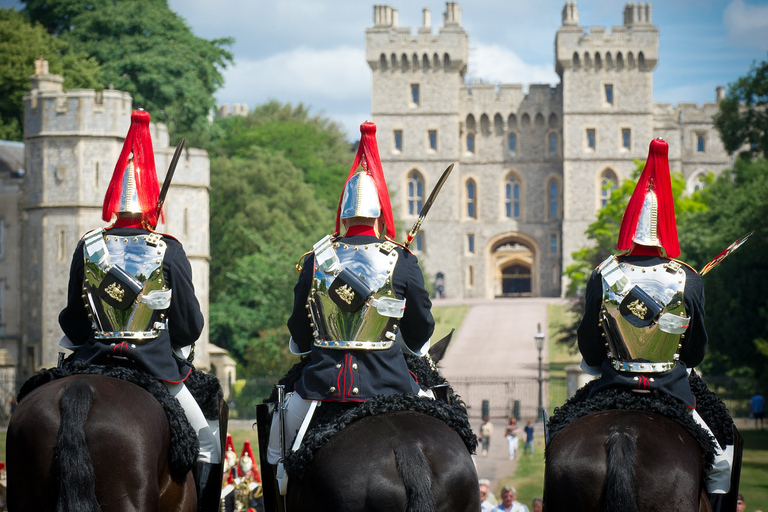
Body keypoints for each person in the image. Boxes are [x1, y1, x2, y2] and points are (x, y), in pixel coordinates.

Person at [58, 109, 222, 512]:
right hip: (155, 368)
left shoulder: (88, 246)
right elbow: (189, 326)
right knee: (207, 443)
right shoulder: (167, 248)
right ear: (151, 201)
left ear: (115, 198)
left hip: (91, 361)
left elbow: (74, 320)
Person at [266, 121, 435, 490]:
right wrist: (414, 345)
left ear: (343, 212)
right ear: (378, 213)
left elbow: (299, 324)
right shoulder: (401, 259)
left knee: (277, 454)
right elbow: (421, 325)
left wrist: (304, 345)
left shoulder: (316, 259)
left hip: (321, 383)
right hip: (391, 380)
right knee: (448, 421)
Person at [576, 138, 737, 511]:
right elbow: (695, 349)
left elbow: (589, 345)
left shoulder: (605, 273)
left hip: (612, 384)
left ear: (629, 225)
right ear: (664, 229)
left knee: (559, 433)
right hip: (672, 388)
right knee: (722, 449)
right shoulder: (687, 277)